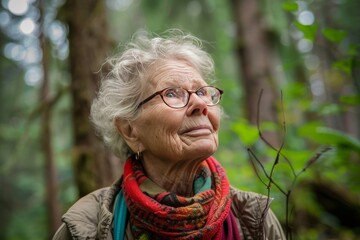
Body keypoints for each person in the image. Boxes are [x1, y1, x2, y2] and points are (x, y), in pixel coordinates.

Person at [53, 29, 285, 240]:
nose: (199, 103)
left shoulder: (256, 220)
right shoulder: (84, 226)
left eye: (203, 91)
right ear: (130, 130)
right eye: (173, 93)